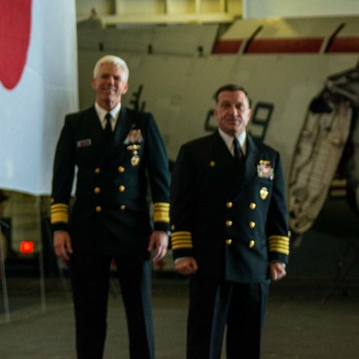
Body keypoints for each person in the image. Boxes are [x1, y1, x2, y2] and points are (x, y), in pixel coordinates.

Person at [50, 55, 171, 359]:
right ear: (94, 83)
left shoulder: (142, 123)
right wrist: (59, 228)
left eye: (116, 78)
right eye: (105, 77)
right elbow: (61, 181)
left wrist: (162, 228)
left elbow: (160, 180)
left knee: (140, 316)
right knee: (89, 317)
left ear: (125, 85)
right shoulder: (76, 124)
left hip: (133, 231)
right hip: (87, 230)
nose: (110, 83)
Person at [170, 84, 290, 359]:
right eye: (225, 105)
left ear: (249, 114)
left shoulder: (268, 157)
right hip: (210, 265)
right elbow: (180, 208)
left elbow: (277, 211)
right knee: (203, 347)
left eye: (239, 106)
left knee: (247, 348)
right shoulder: (194, 153)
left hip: (253, 267)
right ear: (215, 113)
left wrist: (278, 256)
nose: (232, 112)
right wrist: (183, 252)